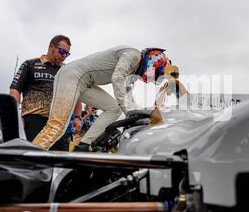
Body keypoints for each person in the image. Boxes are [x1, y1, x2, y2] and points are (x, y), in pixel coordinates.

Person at [32, 46, 169, 151]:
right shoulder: (133, 55)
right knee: (57, 126)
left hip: (84, 82)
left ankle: (84, 146)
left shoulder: (132, 71)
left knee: (114, 108)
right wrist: (129, 112)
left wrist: (142, 116)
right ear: (153, 62)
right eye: (155, 73)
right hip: (72, 76)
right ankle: (28, 158)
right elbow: (117, 79)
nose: (151, 78)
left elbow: (129, 99)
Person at [9, 35, 82, 150]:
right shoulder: (30, 64)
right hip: (33, 119)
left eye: (67, 54)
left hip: (59, 123)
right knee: (33, 159)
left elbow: (76, 95)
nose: (64, 56)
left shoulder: (66, 71)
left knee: (60, 162)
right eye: (62, 51)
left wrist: (78, 117)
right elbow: (15, 90)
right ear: (51, 47)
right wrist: (15, 115)